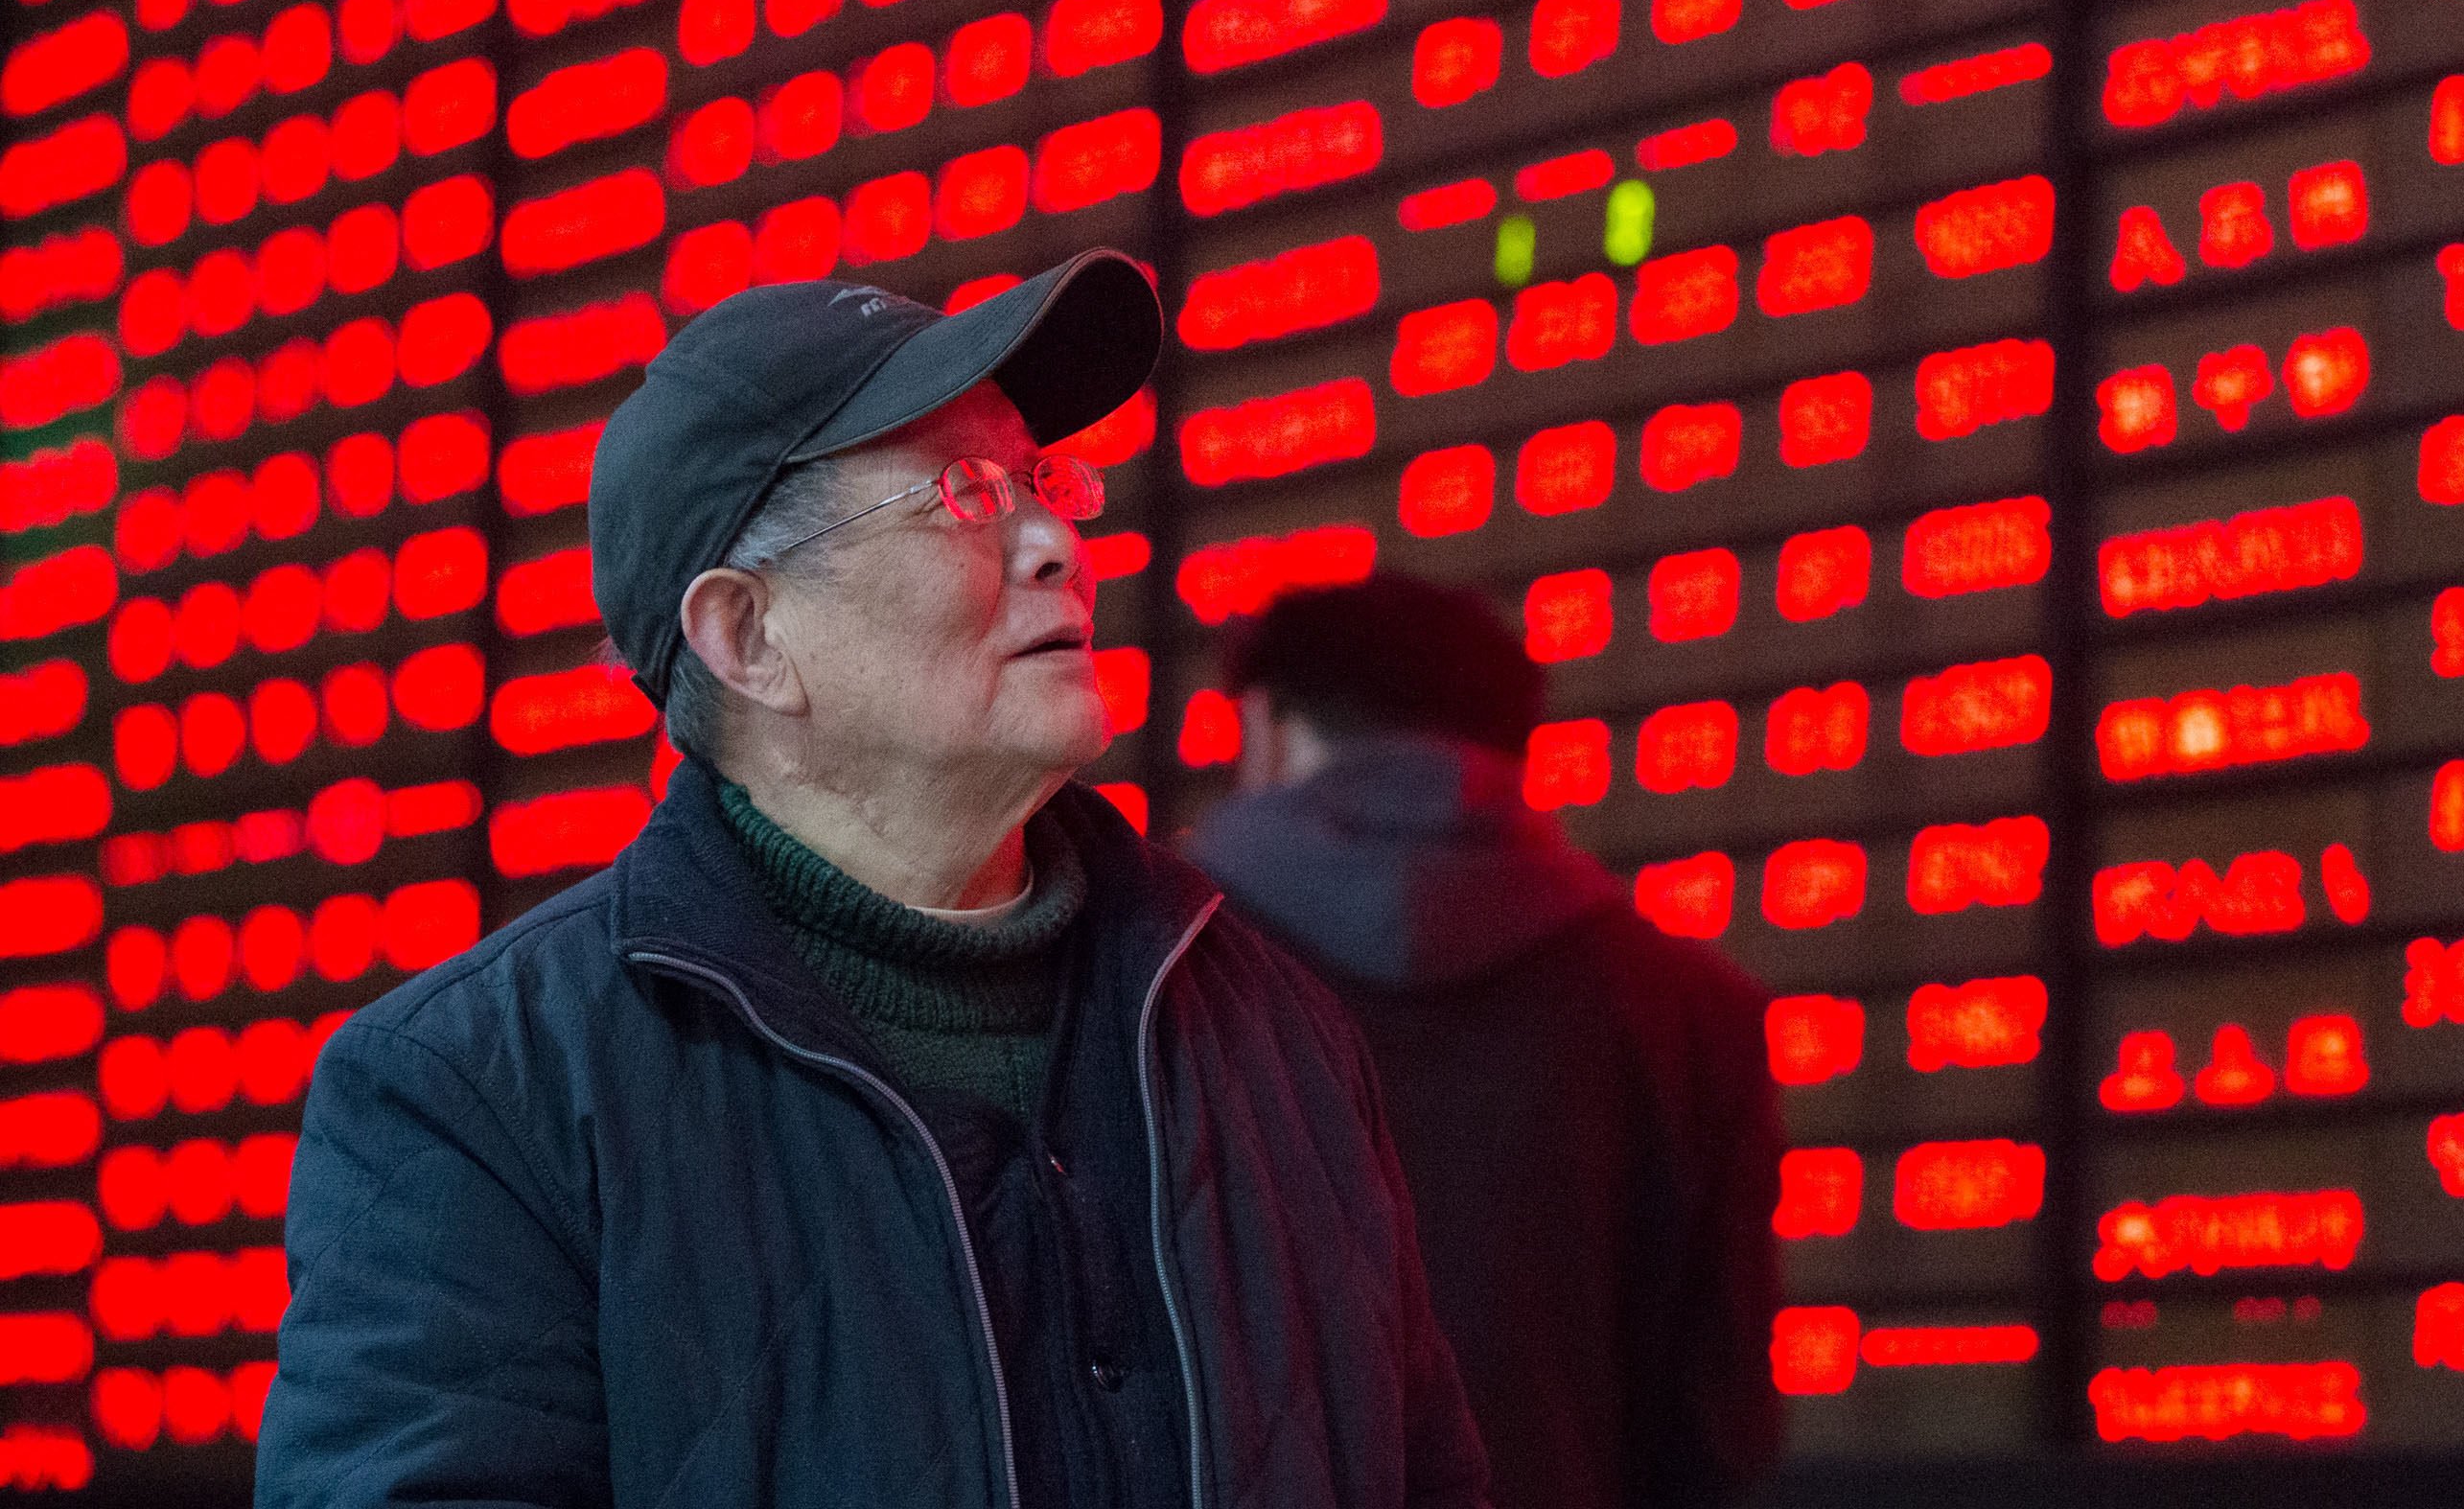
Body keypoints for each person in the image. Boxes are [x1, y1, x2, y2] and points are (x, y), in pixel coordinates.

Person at [258, 256, 1492, 1509]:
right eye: (962, 494)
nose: (1061, 543)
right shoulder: (480, 1095)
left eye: (1044, 482)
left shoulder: (1273, 1033)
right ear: (748, 637)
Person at [1192, 575, 1783, 1509]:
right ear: (1512, 744)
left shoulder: (1143, 965)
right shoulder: (1690, 1006)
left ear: (1265, 723)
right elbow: (1722, 1427)